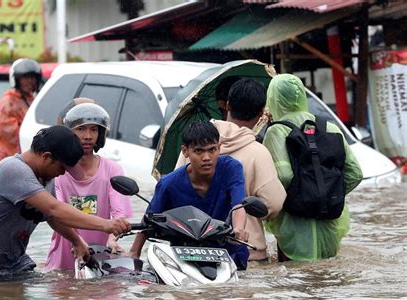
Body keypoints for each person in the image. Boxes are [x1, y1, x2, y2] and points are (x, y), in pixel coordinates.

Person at [0, 125, 131, 283]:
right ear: (46, 157)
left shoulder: (45, 178)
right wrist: (105, 224)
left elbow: (52, 216)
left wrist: (76, 241)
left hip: (13, 264)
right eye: (62, 168)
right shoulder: (13, 169)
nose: (62, 174)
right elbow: (55, 208)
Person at [176, 78, 286, 262]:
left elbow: (178, 190)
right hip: (247, 253)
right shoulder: (258, 152)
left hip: (196, 250)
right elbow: (274, 204)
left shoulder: (194, 144)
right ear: (261, 113)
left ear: (227, 105)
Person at [262, 73, 363, 261]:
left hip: (295, 226)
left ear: (273, 99)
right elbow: (356, 174)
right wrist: (327, 192)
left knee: (297, 283)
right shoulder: (330, 127)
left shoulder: (277, 131)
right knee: (330, 281)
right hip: (331, 223)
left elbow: (283, 176)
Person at [130, 120, 249, 269]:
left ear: (219, 148)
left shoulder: (232, 169)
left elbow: (238, 205)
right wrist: (134, 252)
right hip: (183, 258)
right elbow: (149, 220)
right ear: (185, 151)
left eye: (212, 150)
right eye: (199, 151)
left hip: (228, 255)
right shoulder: (169, 184)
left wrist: (238, 229)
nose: (206, 157)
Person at [45, 102, 133, 270]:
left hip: (102, 257)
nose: (88, 136)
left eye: (93, 130)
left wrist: (113, 238)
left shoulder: (113, 169)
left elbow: (118, 213)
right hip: (64, 258)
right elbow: (58, 213)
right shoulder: (58, 171)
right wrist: (76, 241)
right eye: (81, 129)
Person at [0, 58, 42, 162]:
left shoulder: (31, 99)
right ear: (16, 79)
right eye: (25, 77)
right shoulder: (8, 103)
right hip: (12, 160)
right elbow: (8, 138)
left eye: (32, 77)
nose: (30, 81)